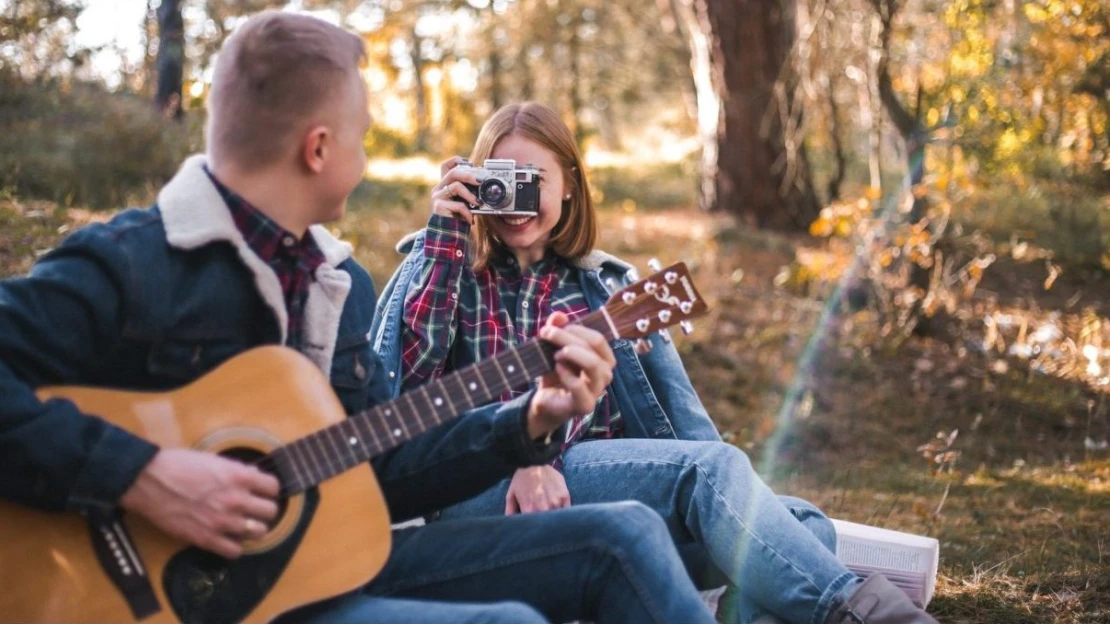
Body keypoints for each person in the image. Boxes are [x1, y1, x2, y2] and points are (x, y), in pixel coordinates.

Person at [0, 14, 717, 624]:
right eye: (364, 135)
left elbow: (386, 469)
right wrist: (144, 474)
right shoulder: (134, 263)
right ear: (319, 149)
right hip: (162, 597)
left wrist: (526, 422)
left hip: (305, 564)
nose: (369, 155)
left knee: (620, 537)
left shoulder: (333, 287)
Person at [372, 101, 939, 624]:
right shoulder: (446, 272)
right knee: (717, 477)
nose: (515, 202)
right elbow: (408, 389)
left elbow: (681, 431)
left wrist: (579, 427)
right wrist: (442, 240)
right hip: (473, 493)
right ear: (471, 182)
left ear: (569, 185)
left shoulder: (608, 291)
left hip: (591, 486)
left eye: (533, 181)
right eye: (499, 180)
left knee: (803, 524)